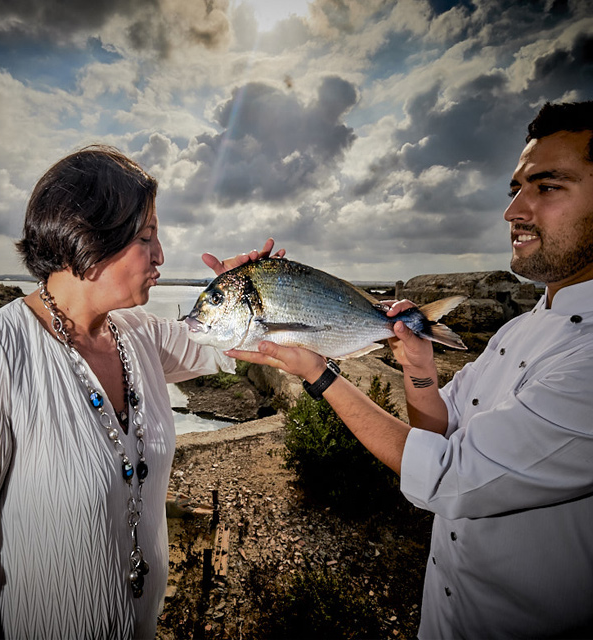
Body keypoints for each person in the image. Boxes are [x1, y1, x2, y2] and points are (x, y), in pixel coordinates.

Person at [228, 100, 593, 638]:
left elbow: (449, 476)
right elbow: (439, 427)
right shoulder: (521, 328)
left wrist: (319, 372)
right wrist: (420, 369)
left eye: (547, 186)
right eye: (515, 188)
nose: (513, 211)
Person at [0, 145, 283, 639]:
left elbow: (233, 345)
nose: (160, 255)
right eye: (146, 236)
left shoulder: (141, 334)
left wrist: (246, 294)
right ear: (89, 238)